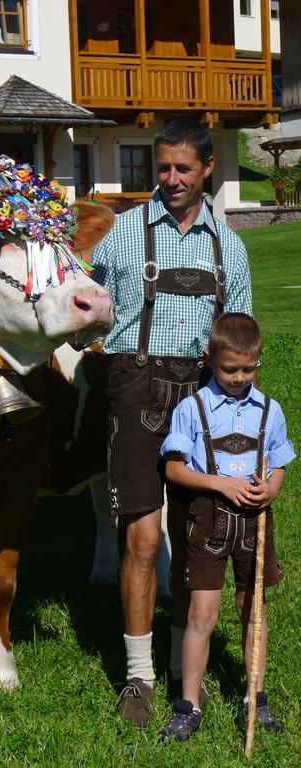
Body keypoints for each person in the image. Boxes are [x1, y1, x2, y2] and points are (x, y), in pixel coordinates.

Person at [92, 117, 253, 729]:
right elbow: (86, 303)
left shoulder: (229, 245)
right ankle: (138, 677)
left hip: (205, 399)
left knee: (192, 542)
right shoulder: (124, 233)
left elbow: (239, 345)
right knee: (141, 539)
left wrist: (252, 426)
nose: (171, 179)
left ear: (207, 168)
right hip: (136, 392)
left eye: (183, 168)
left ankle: (184, 664)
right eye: (162, 167)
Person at [159, 313, 295, 741]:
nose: (239, 378)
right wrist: (219, 483)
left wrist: (271, 490)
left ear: (259, 360)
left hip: (254, 523)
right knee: (202, 612)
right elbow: (174, 469)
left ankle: (256, 695)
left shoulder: (270, 411)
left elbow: (278, 465)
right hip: (207, 520)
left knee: (251, 608)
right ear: (209, 360)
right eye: (229, 369)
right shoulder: (192, 408)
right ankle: (189, 704)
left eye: (248, 369)